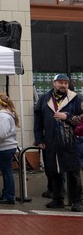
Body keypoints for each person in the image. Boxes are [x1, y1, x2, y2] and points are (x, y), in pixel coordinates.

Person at [34, 74, 83, 211]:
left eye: (66, 83)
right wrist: (39, 139)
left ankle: (77, 201)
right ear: (53, 83)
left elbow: (82, 119)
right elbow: (38, 121)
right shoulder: (44, 99)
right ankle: (57, 199)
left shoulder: (75, 98)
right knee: (54, 170)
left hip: (70, 141)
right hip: (51, 141)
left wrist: (67, 117)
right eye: (60, 82)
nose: (63, 85)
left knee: (73, 172)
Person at [0, 93, 19, 205]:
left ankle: (9, 196)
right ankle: (6, 193)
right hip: (4, 147)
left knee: (7, 172)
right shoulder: (5, 115)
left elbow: (2, 134)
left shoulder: (3, 116)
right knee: (6, 172)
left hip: (3, 147)